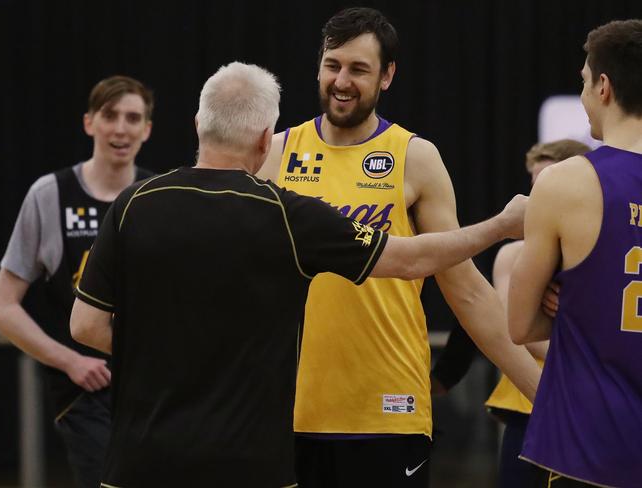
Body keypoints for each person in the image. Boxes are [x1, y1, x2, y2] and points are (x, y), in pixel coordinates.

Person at [70, 61, 527, 488]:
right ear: (265, 139)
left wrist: (167, 351)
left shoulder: (132, 205)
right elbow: (410, 259)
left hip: (140, 460)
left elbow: (85, 326)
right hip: (249, 462)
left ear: (197, 123)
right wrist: (501, 225)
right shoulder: (286, 215)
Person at [256, 7, 540, 487]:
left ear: (387, 76)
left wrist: (544, 393)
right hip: (289, 412)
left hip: (388, 410)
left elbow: (466, 288)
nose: (341, 81)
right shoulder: (276, 153)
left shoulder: (415, 156)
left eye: (359, 69)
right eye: (333, 65)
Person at [0, 75, 153, 488]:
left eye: (133, 118)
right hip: (84, 390)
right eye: (110, 115)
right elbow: (2, 305)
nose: (121, 128)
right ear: (89, 123)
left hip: (153, 388)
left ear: (147, 129)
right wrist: (69, 361)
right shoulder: (49, 195)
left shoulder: (157, 196)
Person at [509, 19, 642, 488]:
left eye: (584, 82)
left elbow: (521, 325)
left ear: (604, 86)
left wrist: (579, 307)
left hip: (590, 449)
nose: (584, 96)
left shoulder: (565, 182)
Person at [483, 139, 590, 488]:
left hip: (589, 405)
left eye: (546, 184)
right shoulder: (513, 256)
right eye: (533, 184)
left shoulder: (600, 251)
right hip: (528, 404)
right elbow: (514, 333)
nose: (536, 197)